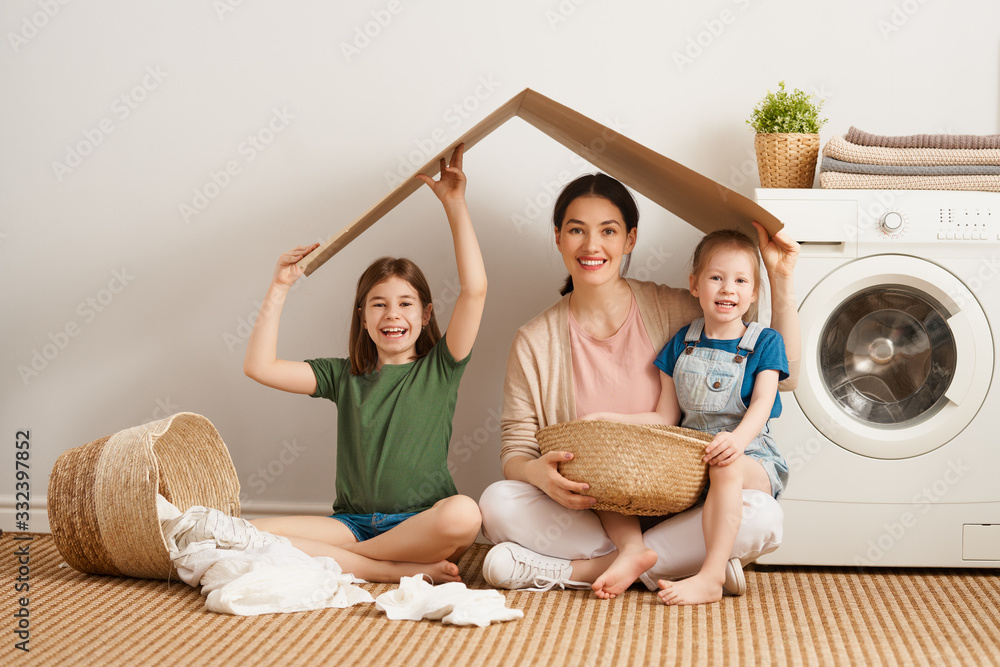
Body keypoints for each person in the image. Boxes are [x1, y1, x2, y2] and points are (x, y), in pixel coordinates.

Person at [478, 173, 800, 597]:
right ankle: (683, 564)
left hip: (685, 505)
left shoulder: (677, 310)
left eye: (608, 231)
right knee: (497, 501)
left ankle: (577, 570)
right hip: (596, 511)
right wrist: (537, 473)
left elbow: (784, 376)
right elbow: (516, 448)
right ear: (558, 237)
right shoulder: (535, 341)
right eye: (577, 230)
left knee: (761, 514)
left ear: (629, 239)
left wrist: (778, 280)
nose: (592, 246)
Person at [244, 144, 486, 584]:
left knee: (465, 514)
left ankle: (364, 563)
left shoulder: (441, 367)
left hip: (422, 522)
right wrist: (280, 286)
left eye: (405, 304)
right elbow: (260, 366)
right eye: (378, 304)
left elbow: (475, 290)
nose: (392, 314)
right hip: (350, 524)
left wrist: (455, 204)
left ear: (426, 315)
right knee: (251, 531)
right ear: (363, 316)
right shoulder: (342, 375)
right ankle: (391, 571)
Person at [582, 228, 788, 604]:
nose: (728, 289)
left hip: (751, 459)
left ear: (754, 293)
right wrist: (607, 419)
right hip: (694, 463)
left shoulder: (766, 341)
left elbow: (762, 404)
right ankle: (639, 553)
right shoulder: (682, 342)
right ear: (695, 284)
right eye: (716, 278)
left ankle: (709, 578)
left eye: (741, 281)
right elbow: (664, 416)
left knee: (726, 463)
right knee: (612, 472)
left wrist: (736, 441)